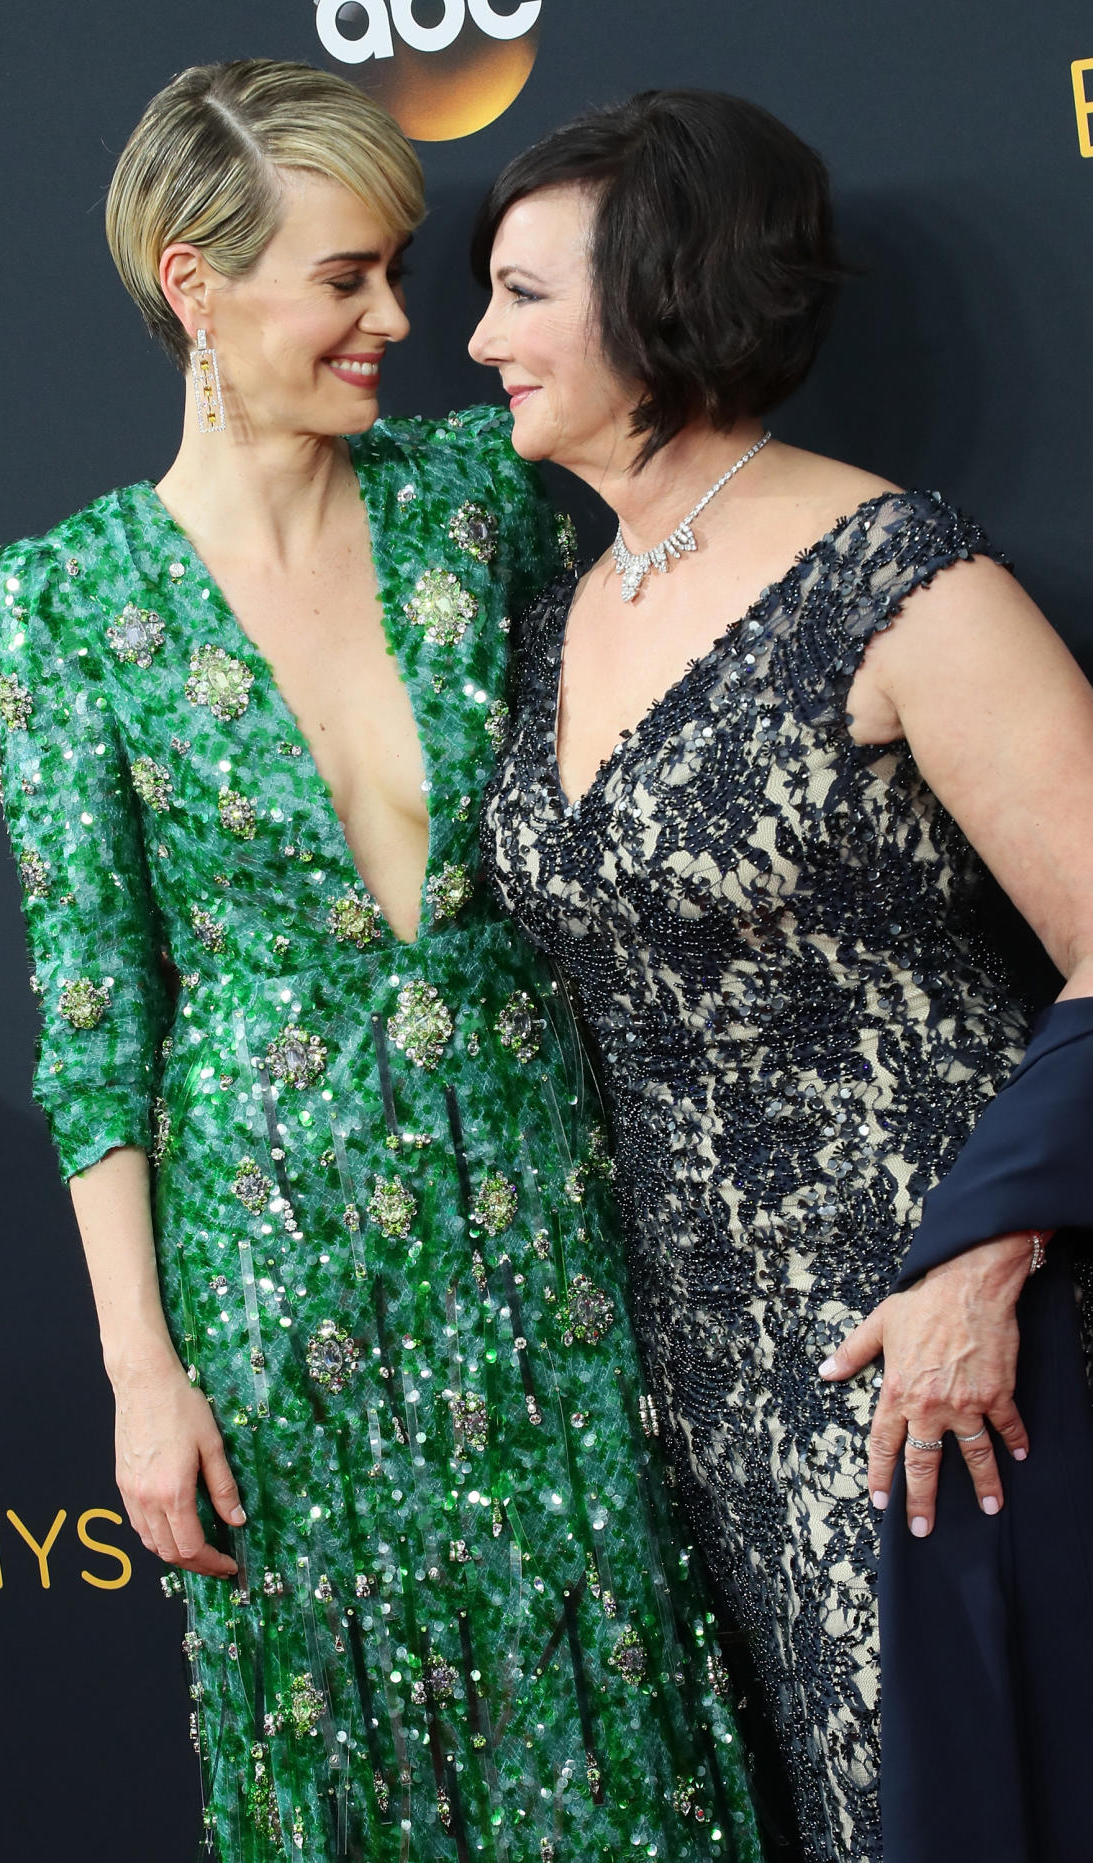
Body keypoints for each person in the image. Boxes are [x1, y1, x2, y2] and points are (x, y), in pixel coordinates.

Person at [0, 60, 764, 1863]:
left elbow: (717, 547)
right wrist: (143, 1378)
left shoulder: (476, 501)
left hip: (549, 1225)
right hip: (275, 1271)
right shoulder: (66, 598)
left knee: (608, 1726)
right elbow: (91, 1021)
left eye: (399, 271)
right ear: (198, 286)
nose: (401, 323)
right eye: (347, 278)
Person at [473, 89, 1093, 1863]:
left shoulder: (900, 578)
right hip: (700, 1353)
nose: (475, 338)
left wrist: (980, 1262)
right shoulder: (553, 605)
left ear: (659, 292)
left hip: (934, 1341)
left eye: (522, 295)